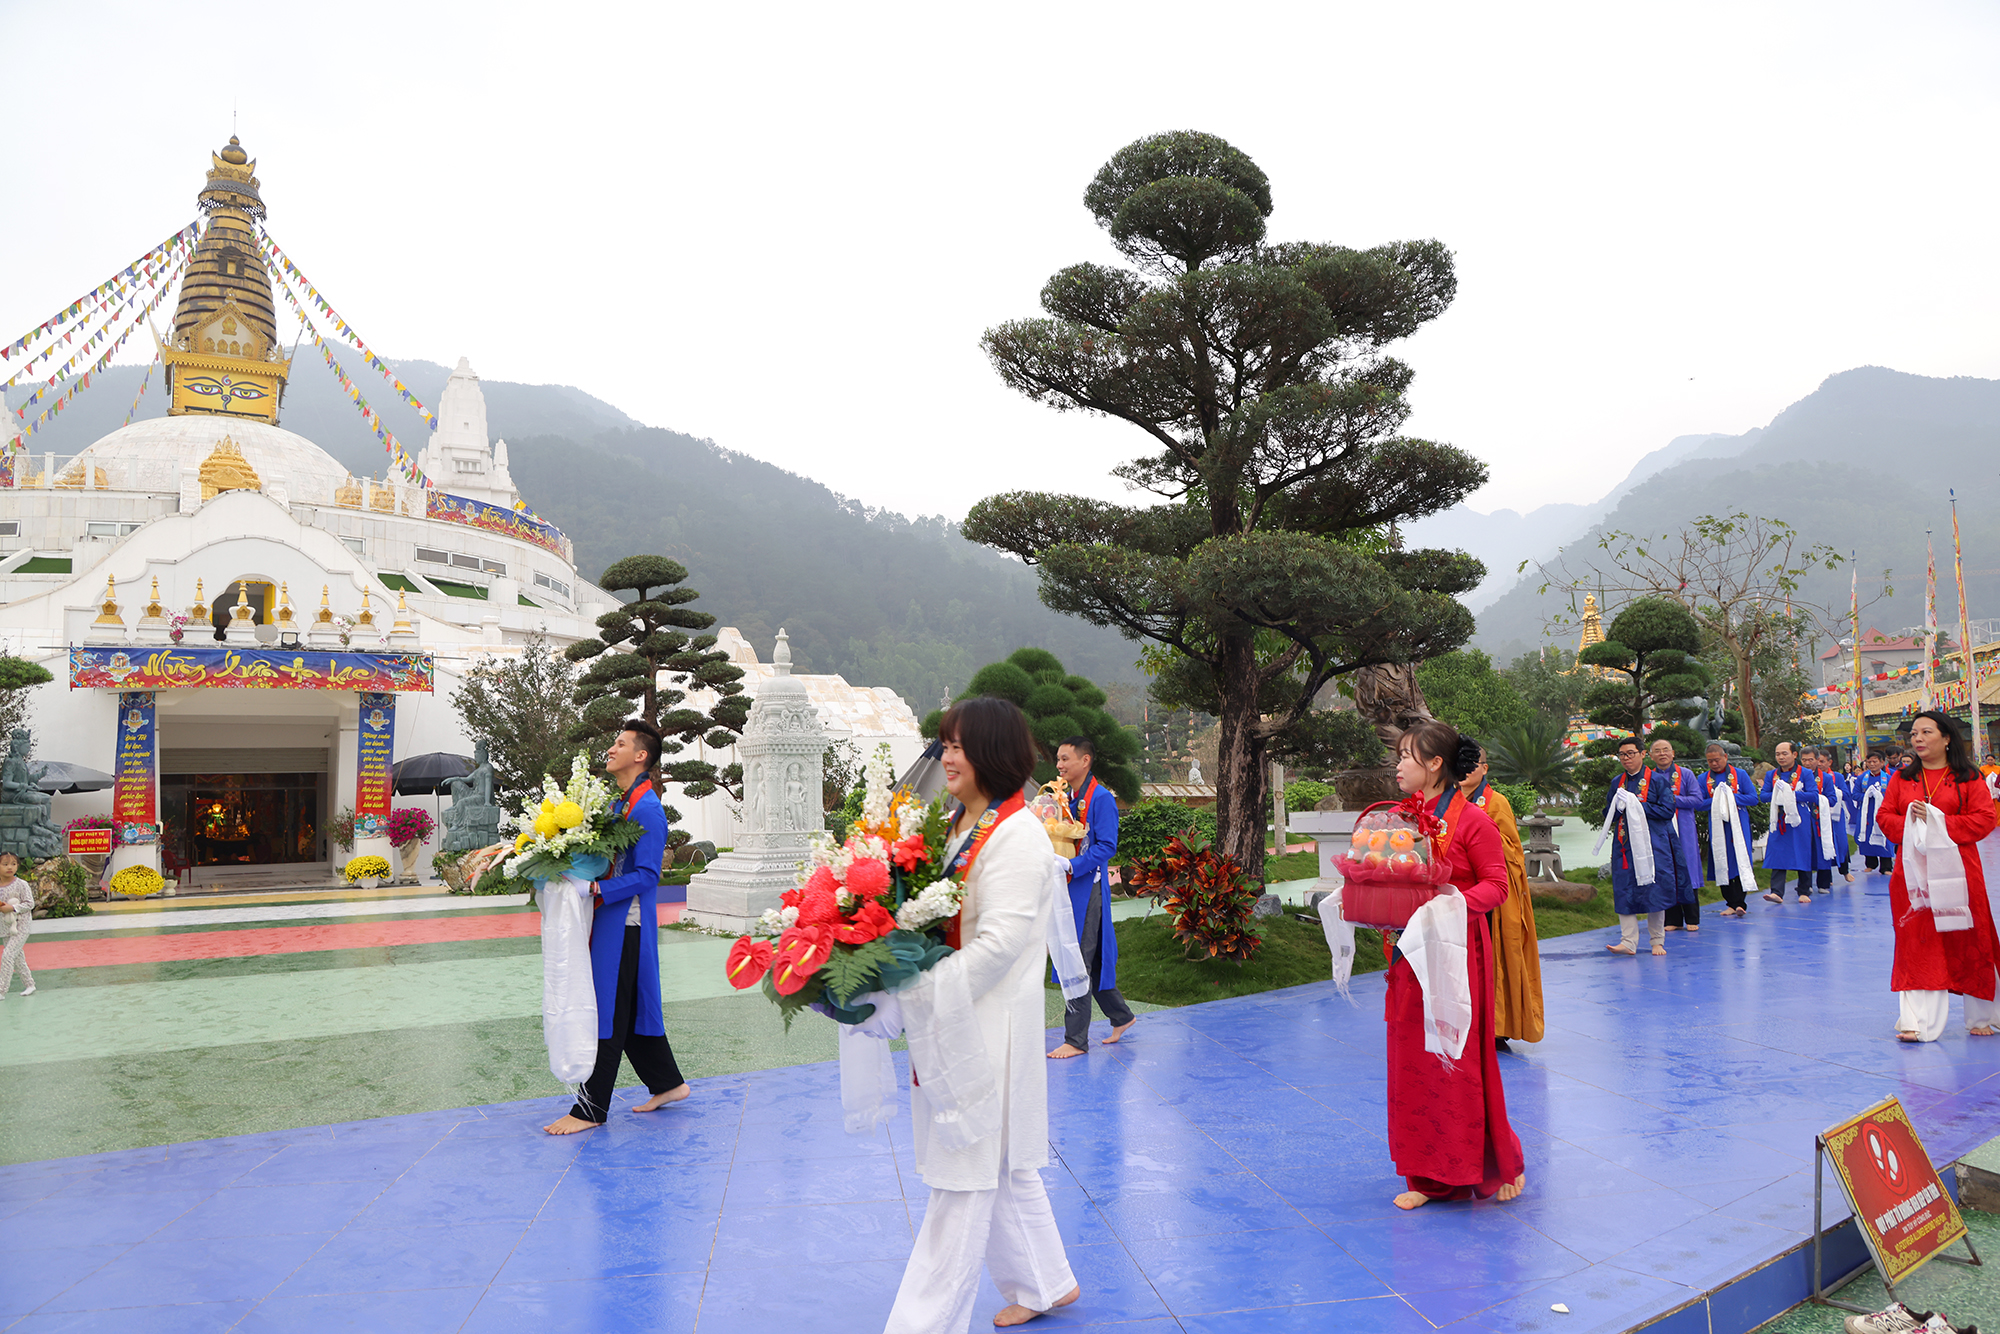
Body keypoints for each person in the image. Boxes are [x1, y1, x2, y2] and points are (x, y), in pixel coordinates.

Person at [887, 696, 1081, 1331]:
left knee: (962, 1177)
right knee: (998, 1167)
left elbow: (998, 946)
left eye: (959, 747)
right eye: (945, 745)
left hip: (986, 1030)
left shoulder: (1017, 835)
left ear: (992, 755)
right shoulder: (959, 826)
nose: (946, 757)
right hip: (957, 1021)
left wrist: (917, 991)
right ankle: (1046, 1282)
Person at [1382, 721, 1525, 1208]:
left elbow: (1497, 886)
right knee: (1413, 1060)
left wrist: (1448, 904)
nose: (1399, 764)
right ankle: (1426, 1175)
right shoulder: (1399, 818)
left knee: (1457, 1059)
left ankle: (1488, 1163)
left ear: (1435, 763)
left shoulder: (1472, 820)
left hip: (1458, 954)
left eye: (1407, 755)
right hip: (1410, 954)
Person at [543, 719, 689, 1134]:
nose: (611, 749)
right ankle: (668, 1084)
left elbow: (648, 875)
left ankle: (590, 1110)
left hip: (626, 924)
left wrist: (595, 887)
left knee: (608, 1010)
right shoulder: (617, 805)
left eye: (620, 744)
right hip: (610, 920)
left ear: (640, 756)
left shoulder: (647, 809)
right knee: (629, 1008)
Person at [1875, 710, 2000, 1043]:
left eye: (1926, 732)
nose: (1917, 738)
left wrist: (1937, 821)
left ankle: (1981, 1015)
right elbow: (1885, 817)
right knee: (1916, 942)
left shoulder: (1967, 777)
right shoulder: (1902, 779)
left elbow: (1984, 819)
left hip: (1960, 873)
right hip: (1913, 875)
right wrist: (1912, 822)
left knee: (1969, 939)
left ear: (1946, 738)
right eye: (1914, 734)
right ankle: (1916, 1021)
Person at [1047, 735, 1135, 1059]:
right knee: (1092, 959)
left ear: (1085, 760)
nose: (1059, 765)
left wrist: (1073, 864)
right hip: (1069, 886)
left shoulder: (1101, 798)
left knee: (1077, 959)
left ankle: (1076, 1039)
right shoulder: (1064, 797)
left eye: (1065, 759)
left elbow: (1107, 846)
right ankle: (1121, 1016)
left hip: (1088, 887)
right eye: (1058, 759)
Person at [1459, 746, 1543, 1048]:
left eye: (1473, 763)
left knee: (1493, 960)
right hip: (1459, 892)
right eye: (1460, 763)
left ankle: (1497, 1026)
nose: (1466, 769)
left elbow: (1513, 851)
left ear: (1485, 768)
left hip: (1491, 897)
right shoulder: (1448, 801)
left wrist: (1478, 839)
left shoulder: (1496, 802)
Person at [1600, 736, 1677, 955]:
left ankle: (1657, 940)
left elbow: (1667, 810)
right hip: (1624, 845)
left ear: (1643, 754)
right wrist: (1618, 807)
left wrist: (1637, 805)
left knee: (1654, 889)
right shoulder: (1617, 783)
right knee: (1624, 889)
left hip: (1652, 845)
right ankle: (1628, 941)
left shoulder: (1657, 780)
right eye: (1622, 755)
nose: (1626, 758)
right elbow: (1608, 813)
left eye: (1631, 753)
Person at [1761, 740, 1832, 905]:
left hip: (1800, 820)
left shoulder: (1805, 773)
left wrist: (1790, 794)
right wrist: (1779, 795)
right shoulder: (1772, 775)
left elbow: (1813, 795)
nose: (1781, 757)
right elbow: (1764, 795)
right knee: (1778, 854)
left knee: (1802, 852)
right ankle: (1776, 892)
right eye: (1778, 754)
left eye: (1784, 753)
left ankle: (1804, 890)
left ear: (1794, 755)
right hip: (1779, 820)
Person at [1695, 743, 1763, 916]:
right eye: (1710, 761)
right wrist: (1717, 799)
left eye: (1717, 760)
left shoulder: (1740, 774)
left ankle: (1740, 903)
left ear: (1725, 757)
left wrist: (1731, 798)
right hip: (1718, 827)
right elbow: (1699, 803)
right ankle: (1730, 902)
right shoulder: (1703, 778)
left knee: (1740, 858)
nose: (1714, 764)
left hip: (1739, 825)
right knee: (1722, 860)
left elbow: (1753, 798)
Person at [1650, 739, 1705, 932]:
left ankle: (1692, 918)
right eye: (1657, 751)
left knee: (1687, 870)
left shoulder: (1686, 774)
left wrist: (1673, 799)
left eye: (1666, 750)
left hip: (1684, 830)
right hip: (1661, 829)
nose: (1662, 754)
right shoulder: (1648, 777)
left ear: (1673, 753)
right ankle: (1672, 919)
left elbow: (1697, 800)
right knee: (1666, 870)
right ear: (1651, 756)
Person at [1811, 747, 1855, 886]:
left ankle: (1845, 870)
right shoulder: (1810, 776)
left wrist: (1834, 791)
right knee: (1821, 843)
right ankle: (1826, 877)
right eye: (1817, 761)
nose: (1819, 764)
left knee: (1841, 843)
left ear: (1829, 762)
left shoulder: (1837, 777)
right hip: (1817, 814)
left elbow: (1847, 795)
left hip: (1835, 816)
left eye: (1822, 761)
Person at [0, 852, 33, 999]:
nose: (10, 867)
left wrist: (13, 908)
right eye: (5, 864)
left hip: (21, 926)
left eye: (13, 864)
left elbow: (30, 903)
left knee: (7, 955)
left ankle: (1, 990)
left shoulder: (21, 884)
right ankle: (30, 984)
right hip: (5, 926)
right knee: (17, 957)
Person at [1856, 752, 1895, 872]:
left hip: (1883, 812)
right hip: (1866, 813)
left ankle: (1886, 866)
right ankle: (1870, 864)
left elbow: (1893, 796)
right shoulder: (1862, 778)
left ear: (1882, 763)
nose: (1872, 764)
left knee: (1884, 836)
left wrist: (1879, 796)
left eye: (1875, 761)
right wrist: (1867, 796)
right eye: (1869, 762)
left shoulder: (1888, 778)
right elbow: (1854, 794)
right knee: (1867, 836)